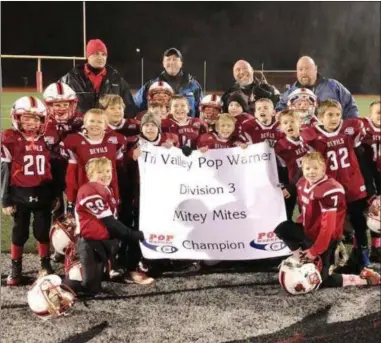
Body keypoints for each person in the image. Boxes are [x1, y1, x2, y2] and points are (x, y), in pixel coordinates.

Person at [274, 152, 380, 288]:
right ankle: (303, 259)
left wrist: (314, 251)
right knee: (283, 229)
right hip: (309, 231)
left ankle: (364, 278)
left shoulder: (330, 190)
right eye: (307, 169)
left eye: (315, 168)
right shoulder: (302, 183)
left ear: (323, 169)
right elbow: (304, 211)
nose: (311, 172)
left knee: (322, 280)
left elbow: (328, 228)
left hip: (326, 237)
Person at [301, 99, 371, 272]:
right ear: (319, 117)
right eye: (329, 115)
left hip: (352, 182)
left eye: (337, 114)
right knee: (333, 225)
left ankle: (362, 257)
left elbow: (360, 152)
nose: (334, 118)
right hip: (330, 187)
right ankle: (333, 256)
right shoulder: (312, 136)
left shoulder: (350, 129)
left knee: (358, 222)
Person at [64, 157, 145, 295]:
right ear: (90, 174)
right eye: (100, 172)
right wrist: (133, 235)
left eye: (108, 171)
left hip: (101, 241)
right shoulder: (89, 189)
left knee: (96, 286)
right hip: (89, 242)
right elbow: (109, 221)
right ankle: (54, 285)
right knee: (89, 288)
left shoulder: (105, 189)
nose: (106, 175)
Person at [1, 96, 59, 286]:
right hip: (19, 193)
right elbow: (5, 171)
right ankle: (15, 267)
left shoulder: (48, 139)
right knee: (19, 232)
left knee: (42, 231)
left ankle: (45, 264)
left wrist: (55, 194)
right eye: (25, 118)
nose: (30, 122)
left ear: (43, 120)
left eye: (35, 119)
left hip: (43, 191)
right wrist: (5, 199)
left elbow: (54, 169)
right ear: (16, 118)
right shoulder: (9, 138)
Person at [60, 109, 127, 212]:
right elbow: (71, 174)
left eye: (99, 122)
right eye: (92, 121)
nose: (95, 125)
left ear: (105, 125)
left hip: (108, 191)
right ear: (84, 123)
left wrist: (117, 196)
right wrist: (70, 198)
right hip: (85, 193)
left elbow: (117, 172)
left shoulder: (115, 140)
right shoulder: (74, 141)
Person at [59, 39, 137, 118]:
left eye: (103, 54)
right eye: (96, 54)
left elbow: (129, 109)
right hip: (79, 127)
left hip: (108, 128)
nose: (100, 57)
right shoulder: (69, 79)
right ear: (88, 56)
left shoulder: (117, 80)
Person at [276, 56, 359, 119]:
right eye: (300, 69)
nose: (304, 72)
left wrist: (348, 127)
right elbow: (280, 110)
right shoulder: (291, 92)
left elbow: (350, 105)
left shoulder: (332, 86)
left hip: (330, 136)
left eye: (307, 68)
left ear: (315, 69)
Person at [134, 48, 203, 117]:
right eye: (168, 59)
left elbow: (201, 110)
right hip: (160, 126)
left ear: (181, 63)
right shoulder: (151, 85)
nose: (172, 62)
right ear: (163, 63)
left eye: (175, 59)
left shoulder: (194, 85)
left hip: (186, 126)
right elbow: (136, 106)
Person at [275, 110, 310, 220]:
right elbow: (282, 169)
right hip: (295, 184)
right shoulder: (280, 146)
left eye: (292, 121)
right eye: (285, 123)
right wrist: (286, 186)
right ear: (281, 127)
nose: (289, 125)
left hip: (313, 181)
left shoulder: (308, 137)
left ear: (299, 123)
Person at [359, 100, 381, 262]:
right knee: (368, 211)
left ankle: (376, 247)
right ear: (370, 115)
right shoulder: (363, 129)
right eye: (378, 112)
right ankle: (361, 248)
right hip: (366, 176)